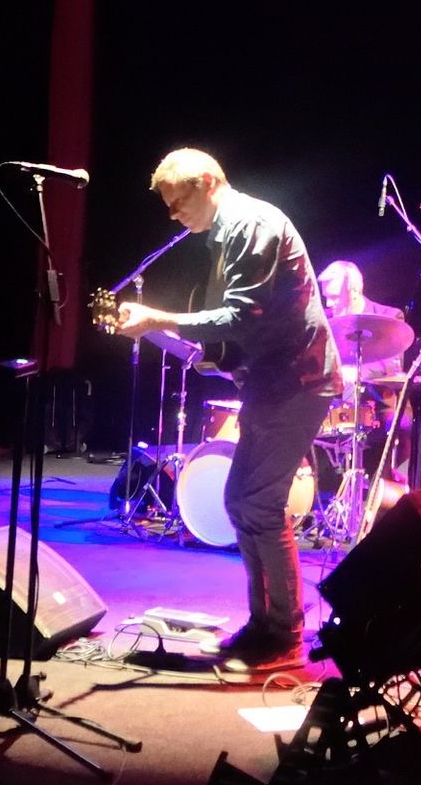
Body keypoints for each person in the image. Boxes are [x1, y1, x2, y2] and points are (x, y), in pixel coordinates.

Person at [106, 149, 339, 674]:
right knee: (241, 501)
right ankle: (265, 626)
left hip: (298, 382)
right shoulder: (229, 231)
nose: (173, 215)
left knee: (258, 504)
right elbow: (247, 327)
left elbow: (242, 315)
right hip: (275, 382)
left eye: (177, 202)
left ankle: (284, 635)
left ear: (207, 182)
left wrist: (157, 318)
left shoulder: (251, 224)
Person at [317, 259, 414, 489]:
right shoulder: (328, 320)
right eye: (326, 297)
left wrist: (355, 372)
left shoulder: (389, 317)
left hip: (380, 400)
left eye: (333, 297)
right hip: (339, 401)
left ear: (353, 291)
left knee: (400, 421)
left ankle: (393, 487)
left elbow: (392, 365)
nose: (328, 303)